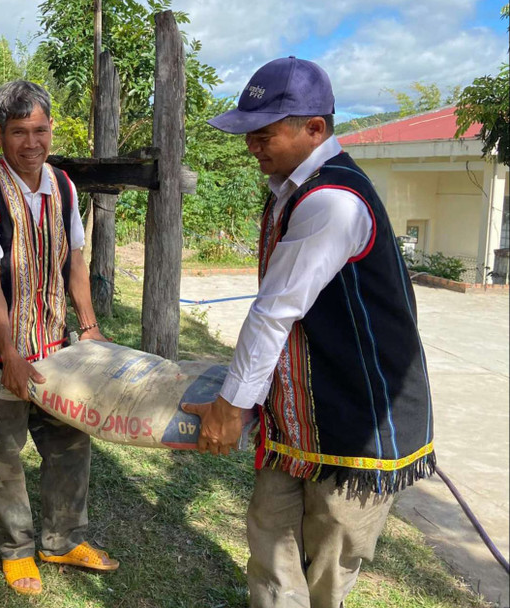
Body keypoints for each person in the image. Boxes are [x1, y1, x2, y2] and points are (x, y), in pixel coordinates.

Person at [183, 57, 436, 608]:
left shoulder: (331, 201)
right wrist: (242, 399)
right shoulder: (288, 189)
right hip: (297, 411)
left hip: (357, 419)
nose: (252, 144)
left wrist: (230, 408)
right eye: (249, 133)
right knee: (270, 540)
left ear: (314, 128)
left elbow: (274, 312)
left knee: (329, 564)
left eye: (264, 132)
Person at [0, 80, 118, 595]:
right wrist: (10, 357)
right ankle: (18, 548)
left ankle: (62, 540)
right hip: (2, 350)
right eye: (19, 131)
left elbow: (76, 263)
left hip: (57, 344)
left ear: (52, 130)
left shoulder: (64, 188)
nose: (31, 142)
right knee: (4, 452)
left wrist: (87, 328)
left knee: (70, 443)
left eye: (40, 129)